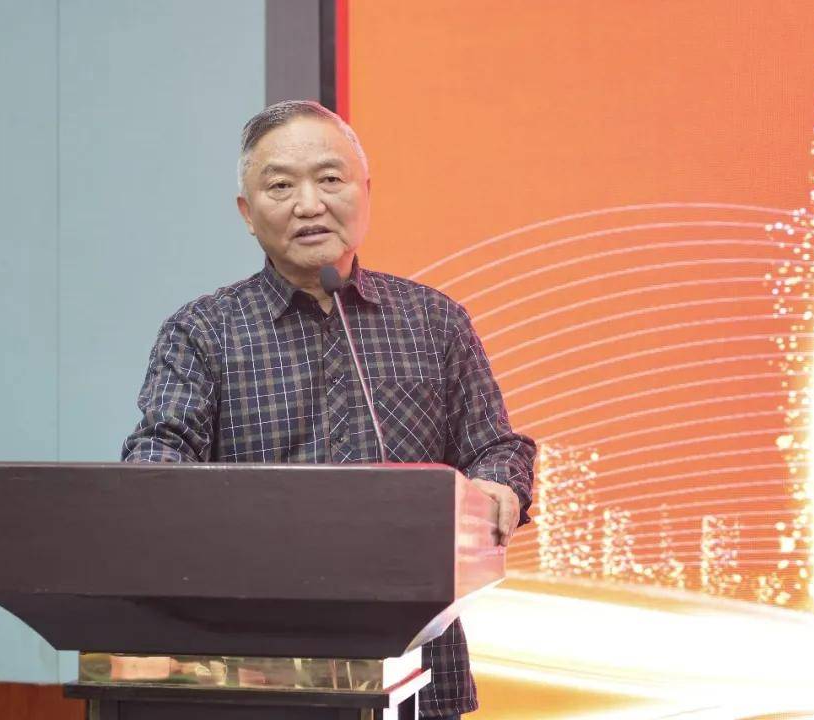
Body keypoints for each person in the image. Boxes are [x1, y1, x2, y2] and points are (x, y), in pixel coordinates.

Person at [122, 100, 536, 719]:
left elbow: (495, 447)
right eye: (280, 186)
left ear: (366, 192)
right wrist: (155, 485)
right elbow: (159, 451)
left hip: (417, 667)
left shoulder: (435, 322)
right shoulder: (203, 331)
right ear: (247, 213)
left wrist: (499, 485)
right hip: (255, 670)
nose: (309, 204)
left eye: (330, 178)